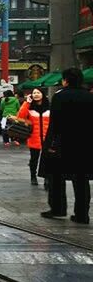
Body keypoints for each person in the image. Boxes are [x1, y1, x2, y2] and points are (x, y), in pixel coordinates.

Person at [41, 68, 93, 224]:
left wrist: (51, 143)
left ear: (65, 80)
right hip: (85, 145)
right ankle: (82, 214)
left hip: (62, 144)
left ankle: (58, 208)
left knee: (56, 177)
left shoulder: (60, 96)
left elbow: (55, 123)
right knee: (81, 180)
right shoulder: (89, 97)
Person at [16, 88, 50, 187]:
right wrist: (26, 103)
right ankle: (33, 176)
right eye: (34, 93)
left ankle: (47, 178)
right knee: (34, 159)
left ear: (43, 94)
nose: (36, 95)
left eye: (38, 93)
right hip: (34, 137)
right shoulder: (29, 107)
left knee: (47, 159)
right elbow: (20, 117)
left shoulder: (49, 107)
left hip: (47, 138)